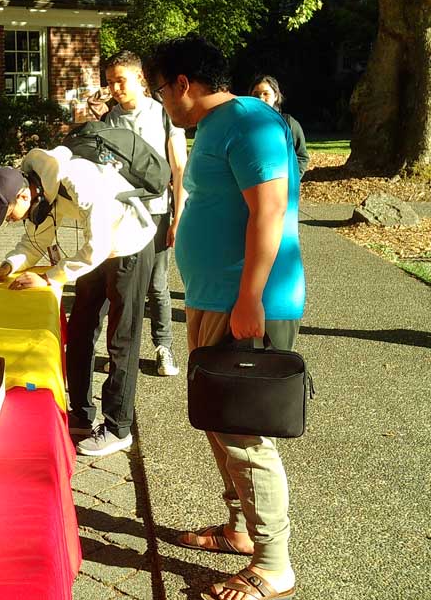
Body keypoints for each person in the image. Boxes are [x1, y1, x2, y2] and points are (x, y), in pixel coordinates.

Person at [145, 36, 304, 600]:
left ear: (182, 83)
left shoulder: (249, 120)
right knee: (218, 418)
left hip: (246, 301)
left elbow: (271, 208)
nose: (160, 100)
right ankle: (241, 530)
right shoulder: (214, 128)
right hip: (214, 297)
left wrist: (250, 298)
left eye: (158, 88)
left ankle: (274, 562)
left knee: (243, 432)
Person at [0, 145, 155, 457]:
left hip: (130, 245)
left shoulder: (77, 181)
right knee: (80, 332)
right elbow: (35, 240)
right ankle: (82, 413)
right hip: (96, 254)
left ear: (22, 196)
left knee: (121, 340)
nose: (7, 221)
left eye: (7, 214)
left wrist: (49, 278)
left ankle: (119, 428)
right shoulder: (37, 188)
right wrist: (9, 265)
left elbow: (98, 245)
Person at [104, 50, 188, 376]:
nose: (114, 88)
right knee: (124, 289)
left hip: (157, 213)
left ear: (139, 78)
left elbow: (179, 167)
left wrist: (179, 216)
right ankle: (126, 352)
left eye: (120, 80)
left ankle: (164, 346)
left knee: (157, 283)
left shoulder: (163, 113)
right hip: (124, 215)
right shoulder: (110, 119)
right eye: (110, 82)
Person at [250, 75, 309, 178]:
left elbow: (301, 156)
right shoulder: (244, 124)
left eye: (265, 94)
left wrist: (291, 180)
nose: (260, 98)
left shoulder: (289, 123)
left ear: (276, 96)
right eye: (256, 94)